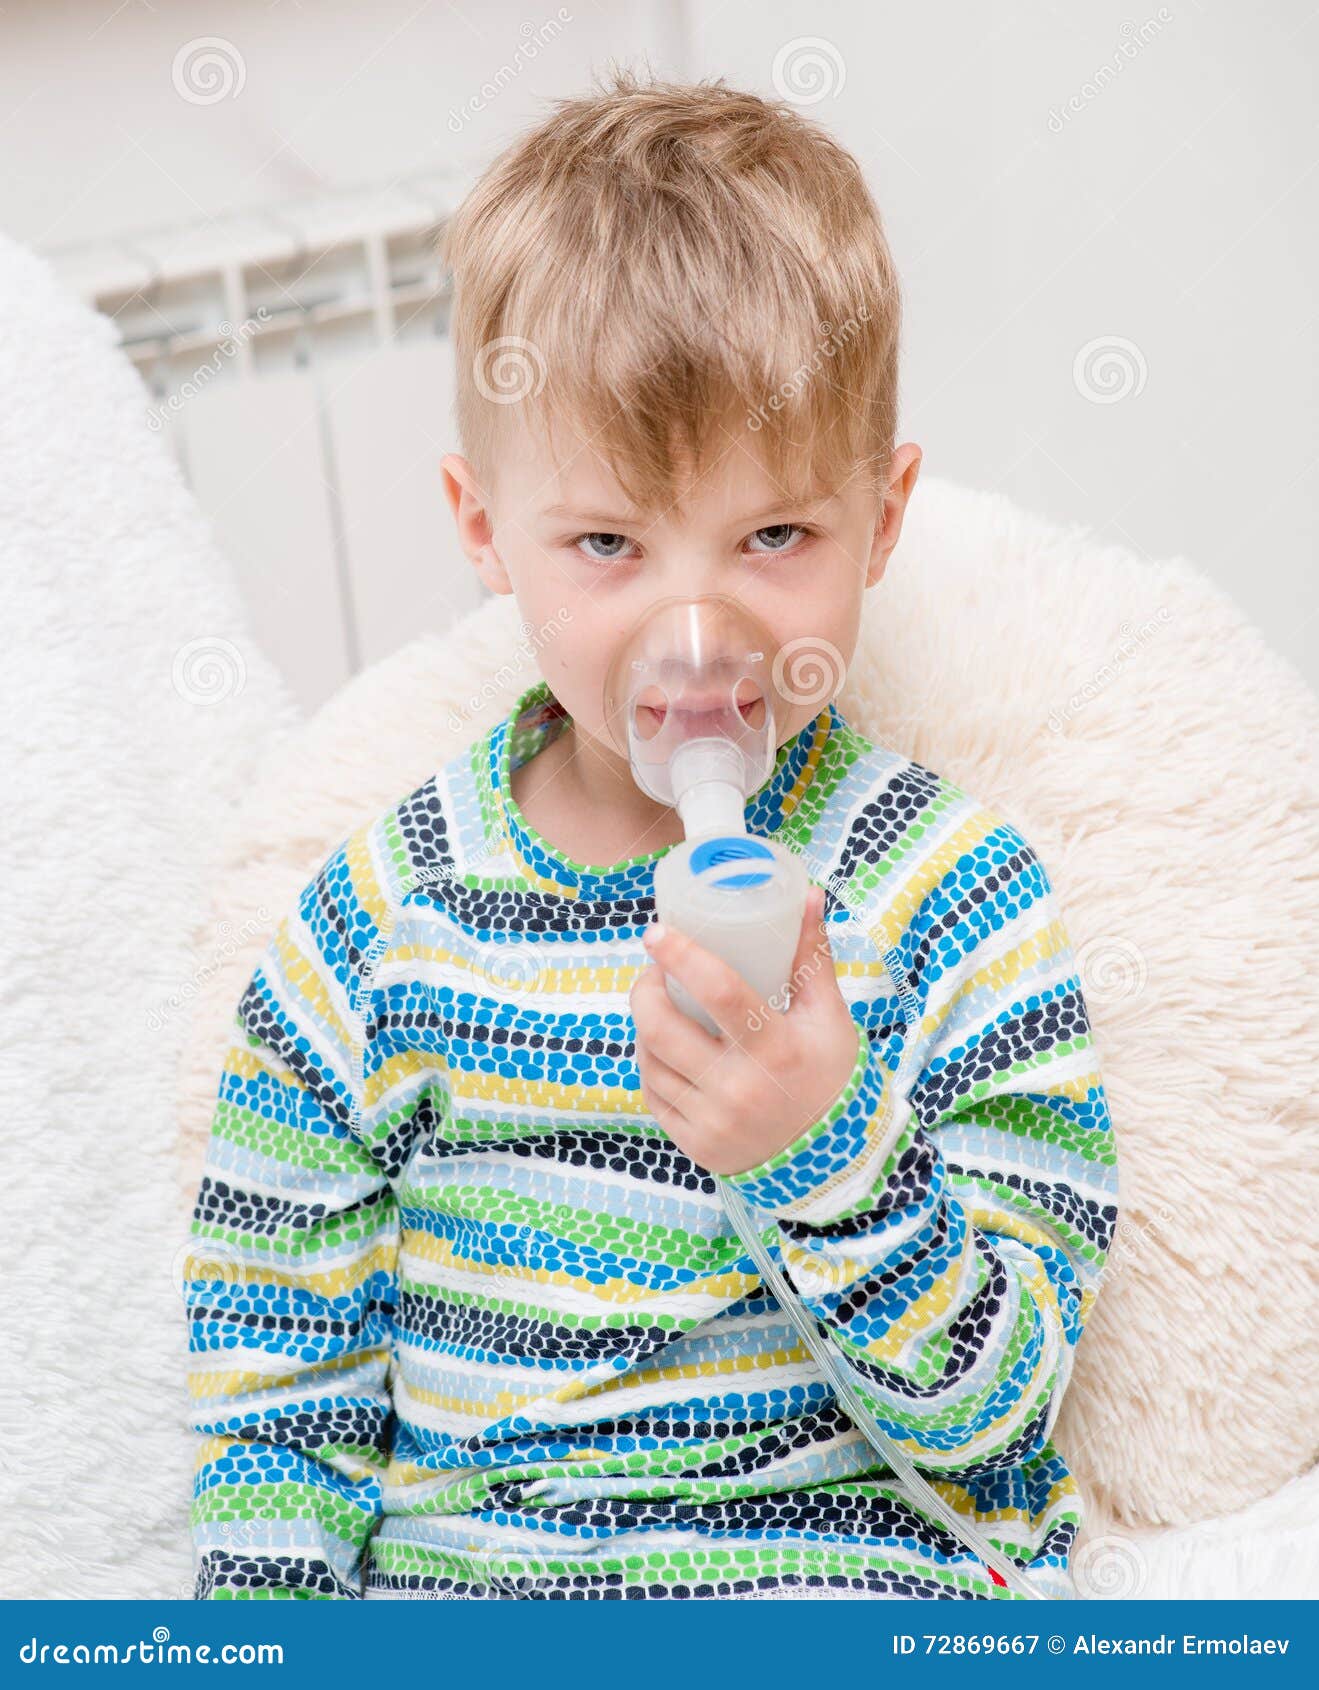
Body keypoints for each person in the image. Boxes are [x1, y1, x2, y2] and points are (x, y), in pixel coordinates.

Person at [182, 68, 1118, 1600]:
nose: (698, 631)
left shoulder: (959, 906)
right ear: (484, 527)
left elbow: (1004, 1426)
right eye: (608, 544)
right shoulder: (371, 929)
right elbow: (277, 1405)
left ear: (883, 520)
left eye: (774, 538)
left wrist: (823, 1147)